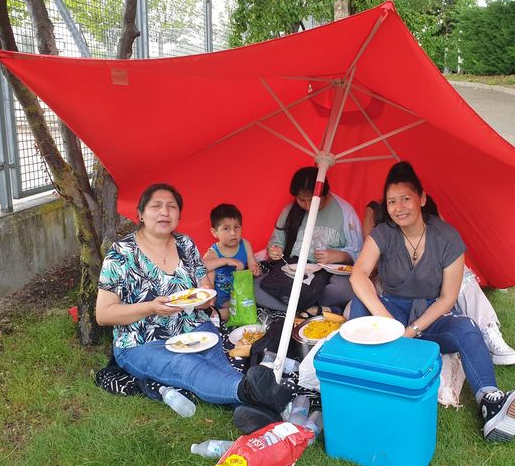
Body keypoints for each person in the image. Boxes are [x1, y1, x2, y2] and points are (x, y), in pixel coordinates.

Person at [350, 163, 515, 442]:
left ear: (422, 199)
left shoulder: (447, 238)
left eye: (405, 198)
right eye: (392, 201)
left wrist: (412, 330)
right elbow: (359, 274)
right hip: (392, 308)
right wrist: (387, 321)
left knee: (467, 329)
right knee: (360, 304)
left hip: (431, 314)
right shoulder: (383, 234)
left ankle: (491, 402)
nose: (398, 207)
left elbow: (448, 297)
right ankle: (361, 383)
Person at [95, 183, 293, 432]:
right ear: (141, 214)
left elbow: (204, 287)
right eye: (156, 206)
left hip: (193, 327)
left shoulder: (185, 244)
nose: (165, 212)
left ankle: (256, 409)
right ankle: (250, 393)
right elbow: (103, 314)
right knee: (186, 366)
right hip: (141, 341)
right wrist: (151, 308)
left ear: (179, 215)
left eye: (172, 207)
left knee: (219, 362)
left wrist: (206, 298)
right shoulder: (121, 253)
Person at [363, 198, 515, 366]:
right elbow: (370, 263)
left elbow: (446, 242)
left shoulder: (423, 206)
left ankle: (489, 330)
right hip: (389, 283)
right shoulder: (375, 211)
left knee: (462, 273)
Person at [254, 166, 363, 314]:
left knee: (346, 290)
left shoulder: (345, 211)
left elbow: (359, 253)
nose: (307, 206)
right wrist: (275, 250)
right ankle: (314, 309)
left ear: (326, 193)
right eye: (301, 200)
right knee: (254, 289)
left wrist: (338, 256)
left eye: (312, 200)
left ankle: (297, 305)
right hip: (294, 271)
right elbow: (276, 243)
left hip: (329, 275)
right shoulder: (290, 211)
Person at [202, 203, 261, 321]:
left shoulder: (245, 244)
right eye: (226, 228)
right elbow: (200, 267)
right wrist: (226, 260)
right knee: (209, 272)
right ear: (214, 232)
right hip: (220, 298)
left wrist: (255, 268)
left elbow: (252, 263)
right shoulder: (213, 252)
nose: (233, 233)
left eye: (237, 227)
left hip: (240, 291)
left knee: (258, 291)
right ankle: (214, 311)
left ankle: (224, 314)